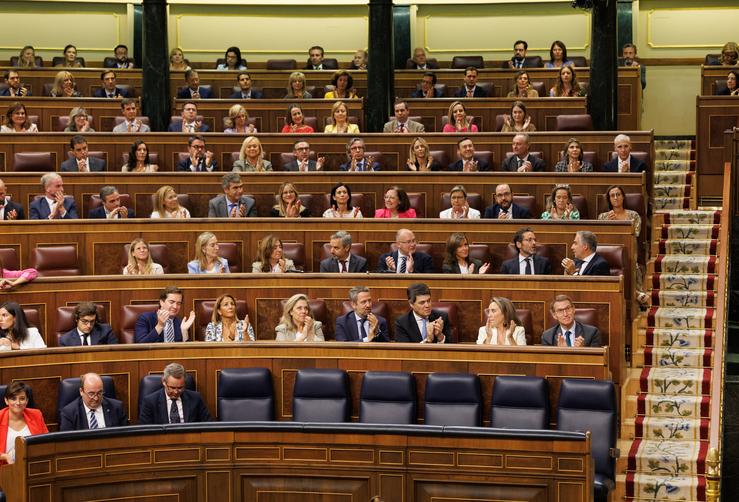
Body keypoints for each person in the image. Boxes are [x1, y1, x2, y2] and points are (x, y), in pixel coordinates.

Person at [138, 362, 211, 424]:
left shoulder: (196, 398)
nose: (176, 392)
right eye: (172, 388)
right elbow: (144, 431)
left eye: (180, 388)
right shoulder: (150, 402)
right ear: (164, 382)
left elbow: (208, 424)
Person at [59, 373, 127, 431]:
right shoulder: (69, 413)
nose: (96, 398)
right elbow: (66, 443)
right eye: (91, 394)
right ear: (81, 391)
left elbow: (126, 436)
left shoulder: (117, 408)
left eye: (99, 393)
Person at [0, 382, 48, 465]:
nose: (18, 403)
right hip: (4, 468)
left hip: (33, 465)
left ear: (27, 401)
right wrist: (5, 457)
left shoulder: (36, 415)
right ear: (6, 401)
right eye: (13, 398)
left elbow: (47, 442)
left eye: (22, 398)